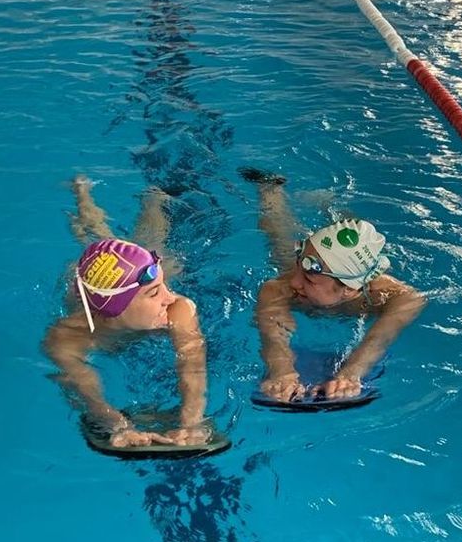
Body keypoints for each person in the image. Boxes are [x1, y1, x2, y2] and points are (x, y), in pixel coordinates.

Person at [43, 178, 208, 449]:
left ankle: (154, 197)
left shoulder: (179, 308)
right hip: (99, 285)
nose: (170, 297)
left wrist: (191, 422)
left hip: (120, 278)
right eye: (155, 293)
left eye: (163, 286)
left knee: (153, 238)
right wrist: (118, 426)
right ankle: (81, 192)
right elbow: (84, 390)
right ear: (114, 310)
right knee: (96, 236)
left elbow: (192, 365)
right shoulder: (68, 337)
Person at [242, 169, 426, 401]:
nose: (295, 281)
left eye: (309, 278)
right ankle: (270, 188)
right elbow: (274, 338)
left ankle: (328, 204)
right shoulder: (279, 288)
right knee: (279, 236)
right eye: (300, 267)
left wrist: (350, 375)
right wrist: (282, 373)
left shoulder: (397, 299)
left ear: (350, 289)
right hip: (323, 261)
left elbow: (377, 340)